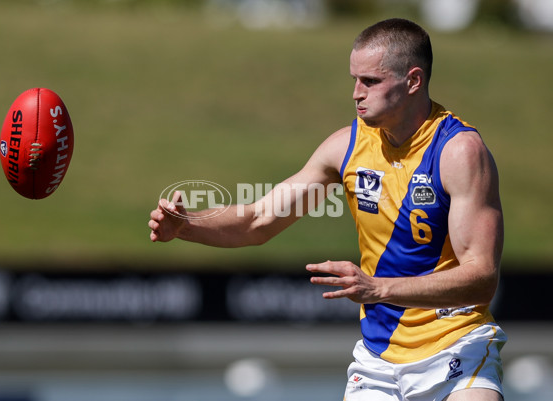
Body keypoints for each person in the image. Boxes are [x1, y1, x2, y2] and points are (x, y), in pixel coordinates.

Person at [148, 18, 506, 401]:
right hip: (378, 360)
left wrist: (378, 288)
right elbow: (258, 220)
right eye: (354, 79)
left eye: (370, 81)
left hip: (456, 347)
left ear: (413, 81)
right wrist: (187, 226)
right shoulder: (345, 146)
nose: (356, 93)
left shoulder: (459, 152)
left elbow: (482, 277)